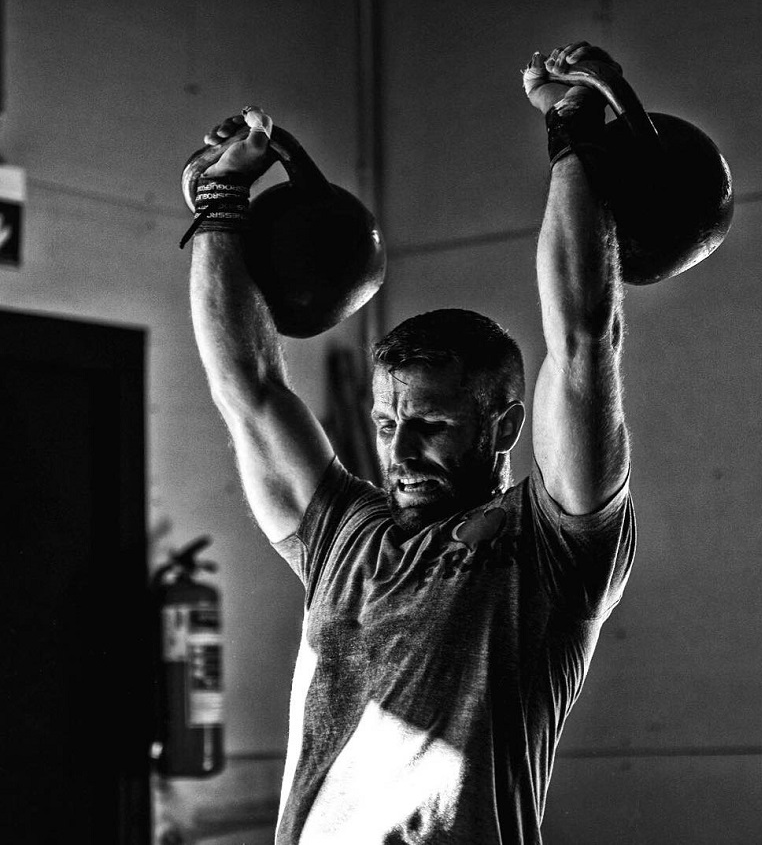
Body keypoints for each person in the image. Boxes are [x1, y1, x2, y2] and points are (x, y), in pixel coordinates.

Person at [188, 41, 636, 845]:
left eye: (431, 425)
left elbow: (583, 343)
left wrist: (574, 136)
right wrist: (222, 199)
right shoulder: (342, 537)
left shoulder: (550, 549)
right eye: (391, 424)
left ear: (503, 424)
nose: (399, 450)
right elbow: (247, 390)